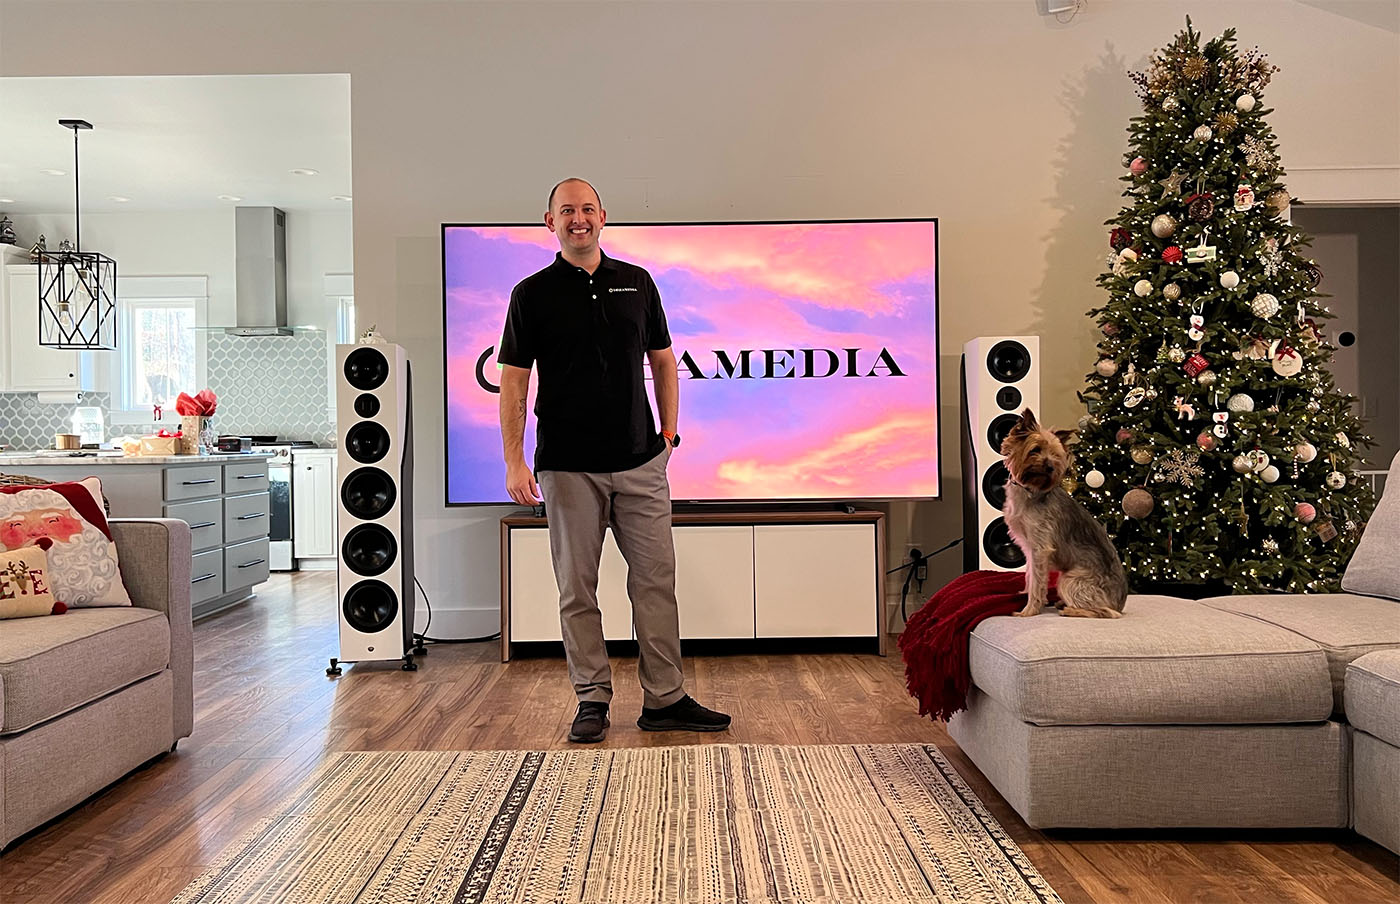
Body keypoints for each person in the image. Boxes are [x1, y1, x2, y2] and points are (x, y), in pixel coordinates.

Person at [497, 178, 731, 743]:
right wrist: (514, 460)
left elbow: (664, 360)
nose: (578, 218)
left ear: (603, 216)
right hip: (566, 467)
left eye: (586, 209)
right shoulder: (530, 294)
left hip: (639, 462)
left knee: (655, 582)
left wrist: (668, 434)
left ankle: (666, 698)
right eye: (566, 211)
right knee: (577, 589)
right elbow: (513, 383)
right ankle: (592, 699)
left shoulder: (637, 282)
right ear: (548, 221)